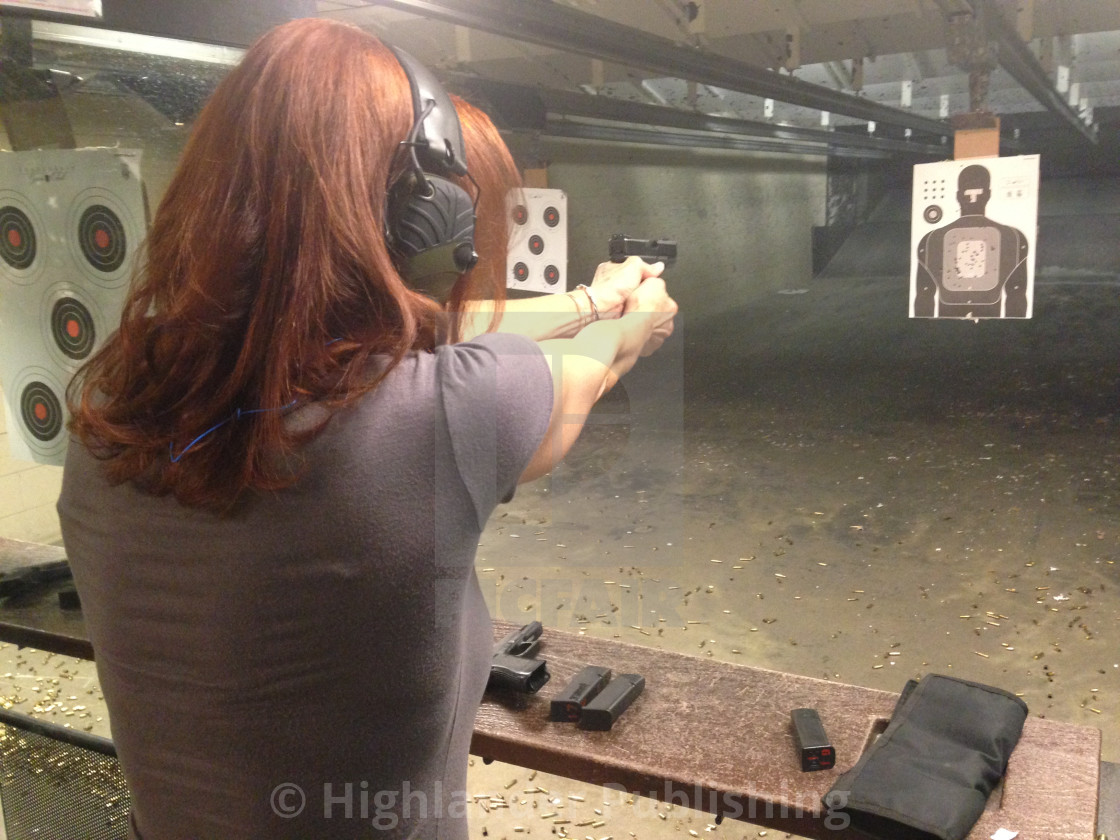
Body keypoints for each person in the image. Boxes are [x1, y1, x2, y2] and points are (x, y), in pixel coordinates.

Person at [57, 17, 676, 840]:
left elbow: (443, 333)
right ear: (419, 220)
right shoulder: (447, 417)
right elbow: (599, 360)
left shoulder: (109, 418)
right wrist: (631, 309)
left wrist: (592, 297)